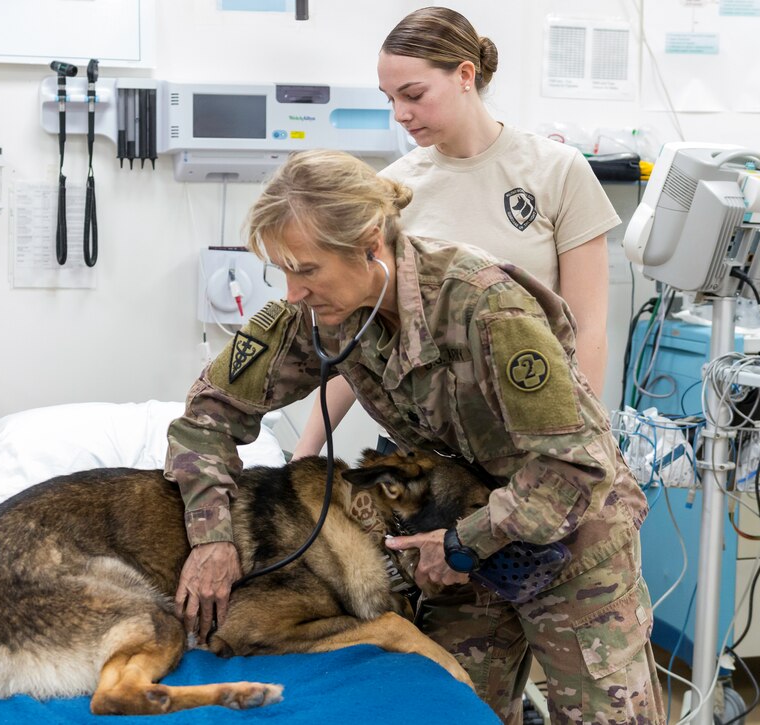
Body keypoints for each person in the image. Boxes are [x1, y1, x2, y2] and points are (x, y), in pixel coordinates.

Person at [166, 149, 664, 724]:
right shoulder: (318, 313)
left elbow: (578, 465)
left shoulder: (486, 309)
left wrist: (461, 543)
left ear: (370, 244)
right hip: (453, 542)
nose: (293, 291)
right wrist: (211, 535)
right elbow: (205, 417)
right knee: (441, 708)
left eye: (306, 268)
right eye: (283, 270)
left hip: (568, 535)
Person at [291, 6, 619, 460]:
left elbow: (588, 329)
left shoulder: (556, 172)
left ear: (465, 74)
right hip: (423, 453)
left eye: (413, 94)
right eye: (390, 99)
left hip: (526, 439)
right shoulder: (393, 190)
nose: (401, 114)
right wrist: (305, 453)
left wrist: (580, 452)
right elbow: (363, 342)